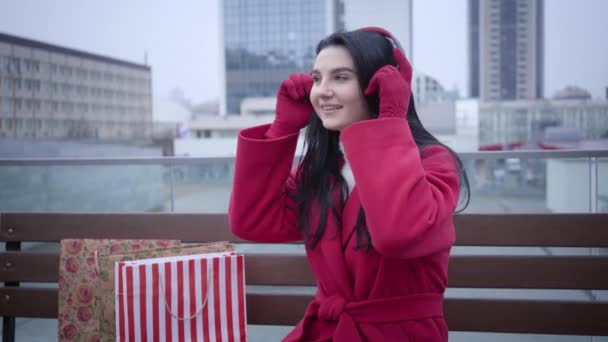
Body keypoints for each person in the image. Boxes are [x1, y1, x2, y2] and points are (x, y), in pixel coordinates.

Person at [229, 27, 470, 342]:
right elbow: (253, 222)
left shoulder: (435, 163)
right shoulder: (320, 171)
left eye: (340, 78)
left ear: (379, 85)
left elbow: (397, 234)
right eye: (317, 78)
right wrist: (282, 129)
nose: (322, 91)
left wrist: (389, 124)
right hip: (327, 332)